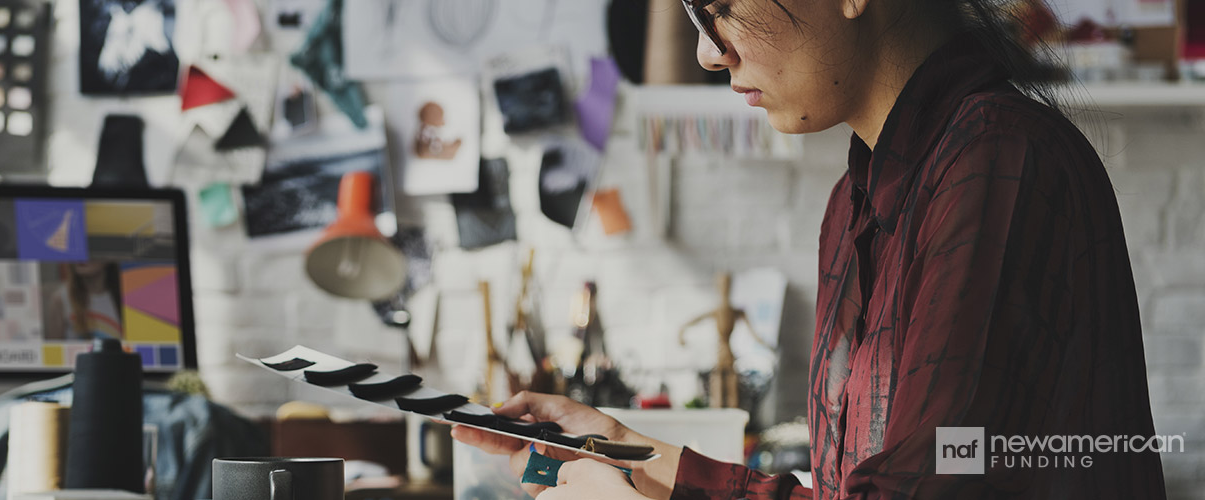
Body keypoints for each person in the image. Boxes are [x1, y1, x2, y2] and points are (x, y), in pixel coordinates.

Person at [452, 0, 1168, 497]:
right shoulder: (854, 205)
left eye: (720, 7)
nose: (708, 49)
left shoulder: (998, 164)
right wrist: (619, 447)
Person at [44, 261, 124, 341]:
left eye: (91, 250)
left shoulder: (125, 295)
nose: (82, 257)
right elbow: (53, 351)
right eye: (78, 250)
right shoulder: (60, 299)